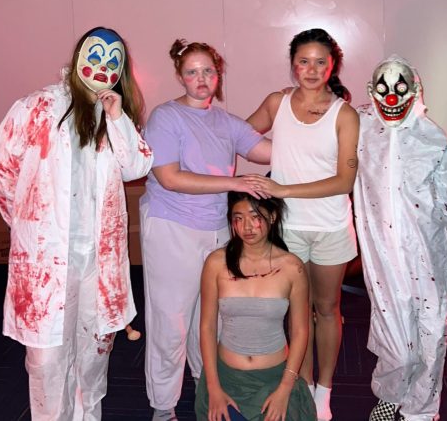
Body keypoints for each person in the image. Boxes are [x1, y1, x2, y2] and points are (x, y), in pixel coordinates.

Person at [0, 26, 153, 420]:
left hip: (98, 261)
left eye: (113, 61)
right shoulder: (37, 106)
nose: (102, 66)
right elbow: (0, 167)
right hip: (45, 262)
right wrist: (29, 226)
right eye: (95, 55)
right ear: (78, 56)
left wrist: (117, 115)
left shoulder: (114, 118)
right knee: (46, 362)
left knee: (93, 354)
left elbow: (137, 166)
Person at [140, 39, 272, 421]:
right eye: (192, 72)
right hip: (172, 227)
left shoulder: (227, 122)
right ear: (180, 76)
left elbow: (269, 151)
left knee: (209, 317)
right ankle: (163, 408)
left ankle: (205, 385)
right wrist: (235, 183)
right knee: (170, 322)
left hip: (215, 231)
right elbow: (169, 177)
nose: (202, 79)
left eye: (208, 71)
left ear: (218, 74)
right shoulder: (165, 118)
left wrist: (319, 139)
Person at [354, 55, 447, 421]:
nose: (391, 99)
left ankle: (420, 411)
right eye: (383, 89)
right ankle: (391, 392)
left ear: (416, 90)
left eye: (400, 88)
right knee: (394, 339)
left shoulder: (436, 140)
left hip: (429, 257)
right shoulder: (359, 127)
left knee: (430, 337)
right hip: (382, 257)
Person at [245, 28, 360, 420]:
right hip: (289, 230)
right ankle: (304, 385)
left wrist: (283, 188)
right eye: (303, 61)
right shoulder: (277, 102)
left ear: (333, 66)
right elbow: (239, 135)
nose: (311, 70)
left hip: (329, 227)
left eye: (320, 62)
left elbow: (344, 181)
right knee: (298, 312)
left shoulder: (345, 114)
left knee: (327, 309)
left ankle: (325, 388)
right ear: (293, 64)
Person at [195, 191, 316, 421]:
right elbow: (207, 327)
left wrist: (285, 388)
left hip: (275, 378)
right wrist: (213, 386)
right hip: (227, 378)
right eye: (238, 218)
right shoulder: (216, 263)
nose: (246, 226)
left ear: (272, 216)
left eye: (254, 216)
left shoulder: (292, 267)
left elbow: (300, 331)